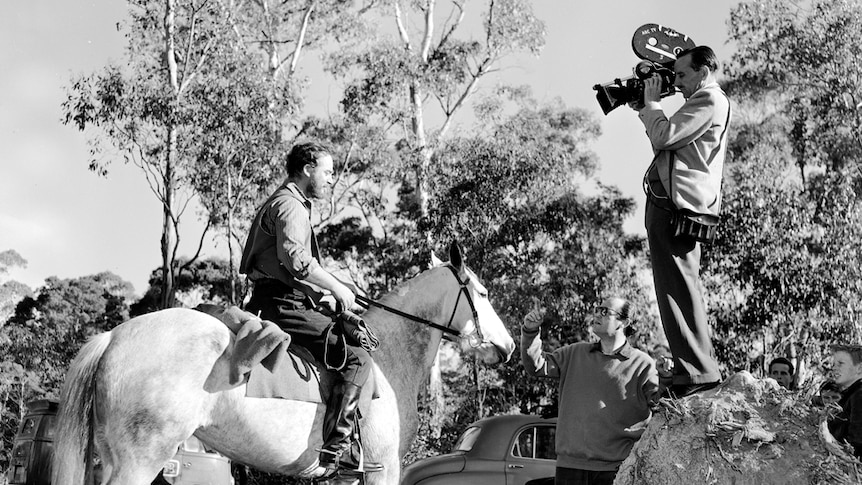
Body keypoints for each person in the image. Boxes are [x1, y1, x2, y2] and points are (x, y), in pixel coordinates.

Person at [240, 141, 381, 478]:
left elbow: (290, 270)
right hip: (282, 306)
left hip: (277, 299)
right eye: (328, 172)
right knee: (359, 356)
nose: (331, 179)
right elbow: (296, 260)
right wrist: (337, 287)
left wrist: (322, 296)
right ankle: (338, 448)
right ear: (307, 169)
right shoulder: (291, 206)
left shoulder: (281, 201)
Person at [629, 45, 732, 398]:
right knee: (670, 287)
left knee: (679, 288)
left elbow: (664, 137)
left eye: (683, 75)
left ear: (704, 72)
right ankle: (692, 369)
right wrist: (645, 107)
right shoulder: (703, 100)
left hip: (678, 208)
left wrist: (652, 106)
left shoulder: (709, 100)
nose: (679, 83)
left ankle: (698, 371)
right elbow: (667, 139)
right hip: (670, 205)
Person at [521, 297, 661, 485]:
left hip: (618, 470)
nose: (597, 314)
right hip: (569, 469)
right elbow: (536, 366)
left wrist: (667, 377)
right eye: (597, 309)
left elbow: (661, 403)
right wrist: (530, 332)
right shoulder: (574, 353)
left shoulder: (643, 364)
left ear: (624, 322)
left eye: (605, 312)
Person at [827, 344, 862, 458]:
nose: (834, 368)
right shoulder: (851, 394)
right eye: (834, 364)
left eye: (841, 364)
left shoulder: (859, 395)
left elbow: (856, 443)